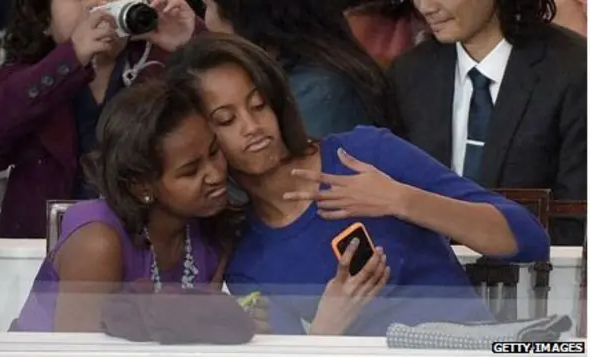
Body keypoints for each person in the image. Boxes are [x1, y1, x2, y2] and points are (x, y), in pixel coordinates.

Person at [163, 33, 550, 336]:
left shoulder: (367, 152)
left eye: (258, 104)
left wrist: (401, 200)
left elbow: (528, 239)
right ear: (204, 138)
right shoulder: (248, 257)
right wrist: (328, 325)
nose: (252, 127)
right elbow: (295, 351)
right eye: (226, 119)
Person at [0, 0, 202, 239]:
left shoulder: (162, 70)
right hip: (42, 260)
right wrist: (70, 58)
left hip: (145, 258)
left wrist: (195, 41)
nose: (95, 6)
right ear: (44, 20)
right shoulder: (25, 81)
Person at [10, 80, 235, 332]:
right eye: (191, 171)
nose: (216, 174)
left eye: (215, 152)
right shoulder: (98, 244)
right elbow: (79, 355)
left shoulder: (212, 229)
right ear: (142, 186)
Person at [388, 0, 587, 246]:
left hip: (539, 274)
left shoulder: (574, 71)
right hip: (431, 276)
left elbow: (576, 222)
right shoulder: (409, 73)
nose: (426, 7)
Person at [202, 0, 404, 138]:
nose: (207, 21)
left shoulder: (319, 91)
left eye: (208, 5)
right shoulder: (314, 65)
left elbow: (308, 184)